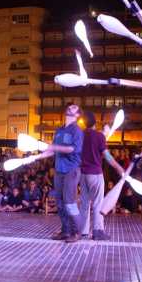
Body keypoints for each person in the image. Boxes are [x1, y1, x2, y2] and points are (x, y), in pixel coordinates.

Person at [36, 104, 84, 243]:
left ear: (77, 115)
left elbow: (72, 149)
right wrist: (36, 157)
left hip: (71, 169)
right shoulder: (59, 130)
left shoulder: (77, 131)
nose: (71, 107)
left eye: (74, 107)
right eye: (70, 106)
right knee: (60, 203)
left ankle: (77, 232)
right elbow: (52, 150)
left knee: (69, 202)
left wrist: (52, 146)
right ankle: (65, 231)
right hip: (59, 170)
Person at [79, 111, 125, 241]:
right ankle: (97, 231)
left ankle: (83, 231)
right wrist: (118, 167)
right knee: (98, 203)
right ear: (95, 122)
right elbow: (107, 156)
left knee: (84, 204)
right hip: (95, 174)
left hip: (83, 174)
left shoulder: (81, 135)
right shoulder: (99, 137)